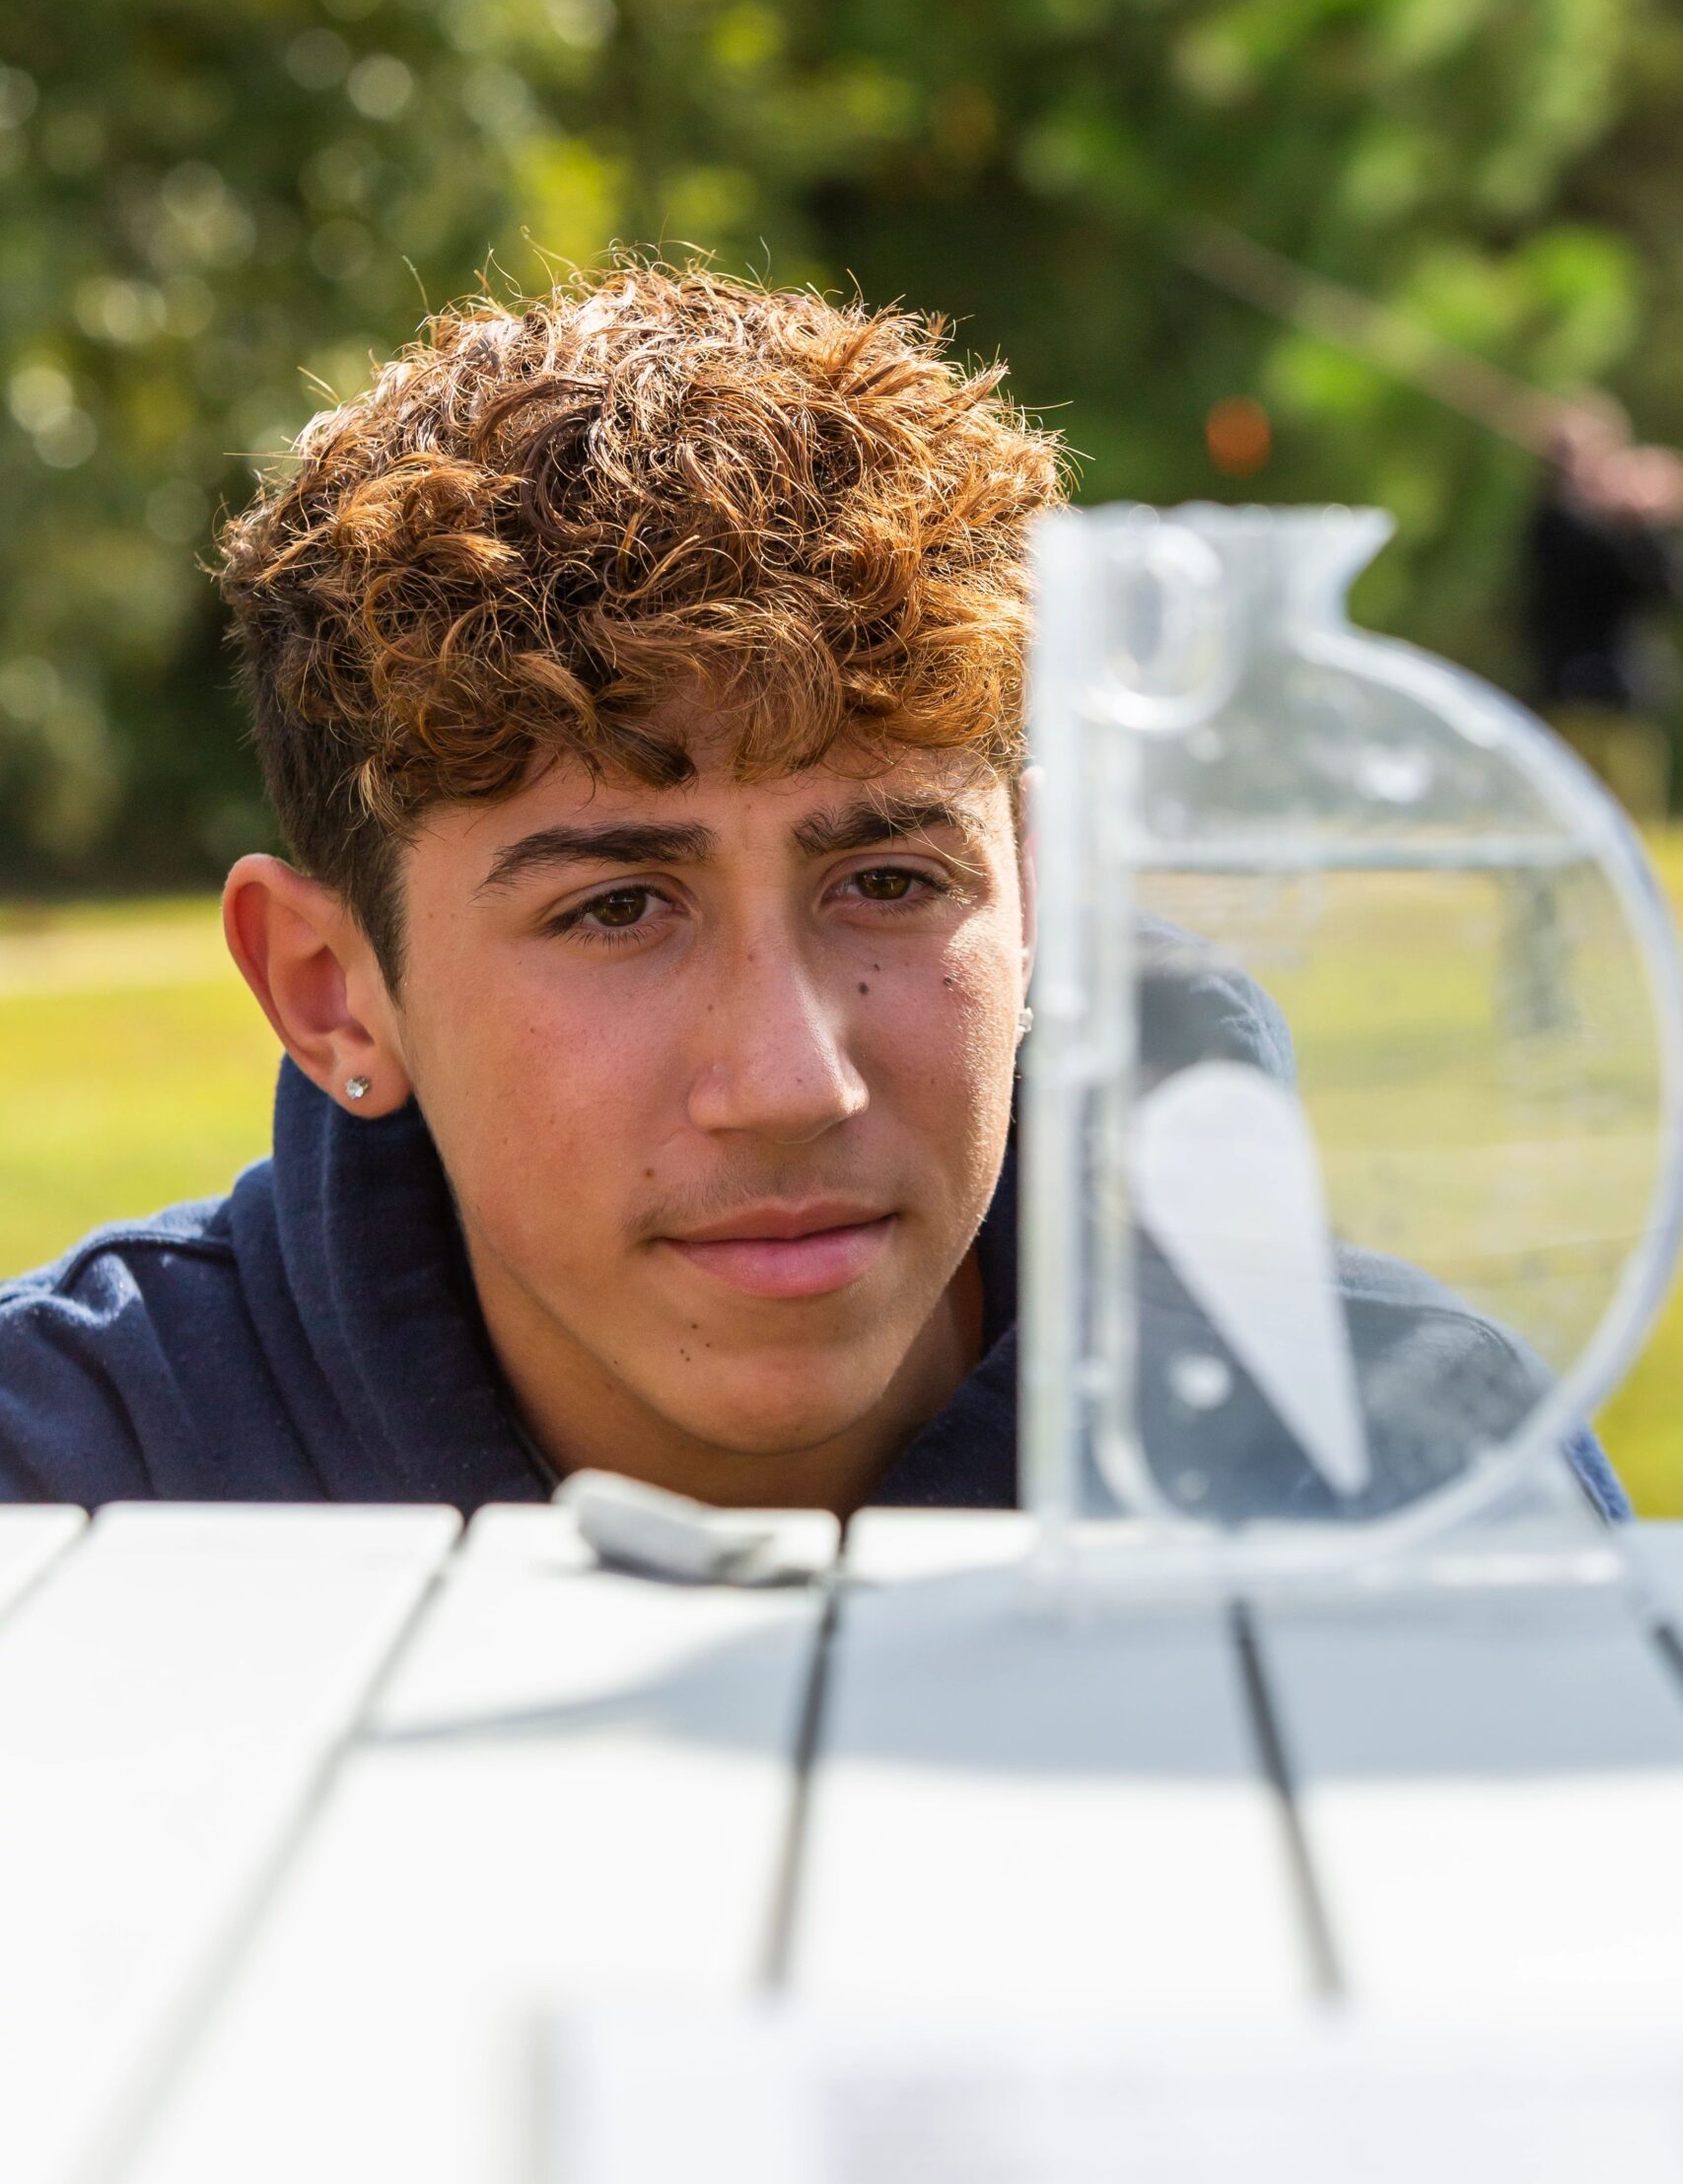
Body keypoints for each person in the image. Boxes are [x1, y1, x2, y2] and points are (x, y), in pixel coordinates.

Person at [0, 265, 1626, 1522]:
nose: (789, 1082)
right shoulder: (66, 1478)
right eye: (614, 911)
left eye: (892, 881)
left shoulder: (1400, 1458)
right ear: (329, 990)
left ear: (1041, 892)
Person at [1521, 398, 1683, 824]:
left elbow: (1662, 588)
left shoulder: (1619, 528)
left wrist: (1644, 522)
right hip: (1564, 693)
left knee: (1634, 828)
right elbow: (1581, 551)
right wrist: (1632, 511)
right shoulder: (1557, 523)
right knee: (1561, 821)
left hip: (1623, 694)